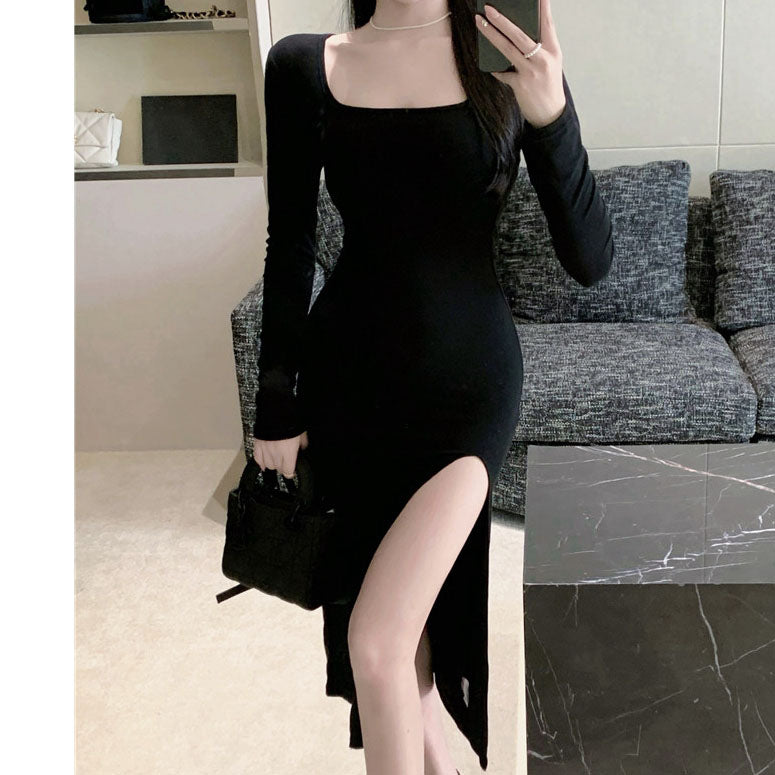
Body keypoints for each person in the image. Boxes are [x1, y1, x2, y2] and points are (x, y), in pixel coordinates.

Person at [251, 1, 614, 772]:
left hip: (465, 389)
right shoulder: (304, 64)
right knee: (402, 650)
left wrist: (551, 115)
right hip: (347, 386)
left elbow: (590, 260)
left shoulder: (503, 54)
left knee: (375, 643)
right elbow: (290, 243)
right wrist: (275, 402)